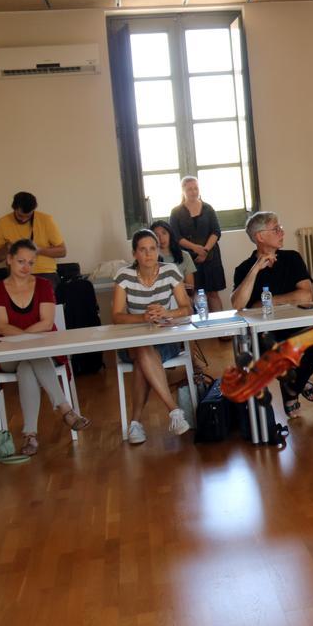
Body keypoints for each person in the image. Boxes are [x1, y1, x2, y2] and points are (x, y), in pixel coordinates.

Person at [0, 239, 90, 455]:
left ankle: (30, 436)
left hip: (41, 351)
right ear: (9, 260)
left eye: (31, 263)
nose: (26, 267)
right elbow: (1, 326)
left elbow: (46, 322)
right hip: (9, 354)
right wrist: (27, 341)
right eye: (21, 262)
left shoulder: (43, 285)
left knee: (28, 365)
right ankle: (65, 409)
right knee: (29, 356)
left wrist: (27, 342)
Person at [231, 211, 313, 419]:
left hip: (296, 325)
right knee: (268, 349)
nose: (282, 232)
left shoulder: (292, 258)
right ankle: (295, 386)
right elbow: (238, 304)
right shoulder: (244, 269)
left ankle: (293, 387)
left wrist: (267, 300)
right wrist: (255, 270)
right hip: (265, 332)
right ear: (260, 236)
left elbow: (306, 295)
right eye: (276, 229)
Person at [112, 229, 194, 444]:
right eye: (143, 250)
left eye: (153, 249)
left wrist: (168, 313)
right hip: (133, 339)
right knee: (141, 348)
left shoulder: (170, 271)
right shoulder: (124, 275)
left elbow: (187, 309)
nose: (149, 254)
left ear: (158, 251)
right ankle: (174, 411)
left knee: (143, 356)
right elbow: (117, 316)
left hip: (165, 337)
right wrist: (143, 317)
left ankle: (135, 424)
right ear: (134, 254)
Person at [169, 176, 227, 313]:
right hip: (188, 258)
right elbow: (176, 236)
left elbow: (216, 231)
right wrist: (195, 248)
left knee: (213, 293)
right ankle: (201, 330)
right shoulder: (176, 212)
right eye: (190, 189)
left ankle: (222, 330)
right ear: (183, 191)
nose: (193, 191)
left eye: (196, 188)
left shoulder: (208, 208)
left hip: (211, 256)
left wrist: (205, 250)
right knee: (193, 293)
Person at [0, 191, 66, 289]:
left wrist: (38, 250)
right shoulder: (2, 223)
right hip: (17, 274)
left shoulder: (46, 220)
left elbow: (62, 252)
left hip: (45, 273)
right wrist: (7, 249)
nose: (24, 220)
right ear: (14, 208)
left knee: (42, 297)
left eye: (28, 216)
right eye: (20, 216)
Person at [149, 220, 196, 294]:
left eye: (164, 233)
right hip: (158, 299)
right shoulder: (149, 258)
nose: (161, 238)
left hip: (181, 298)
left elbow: (190, 287)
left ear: (170, 234)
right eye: (157, 235)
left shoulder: (184, 256)